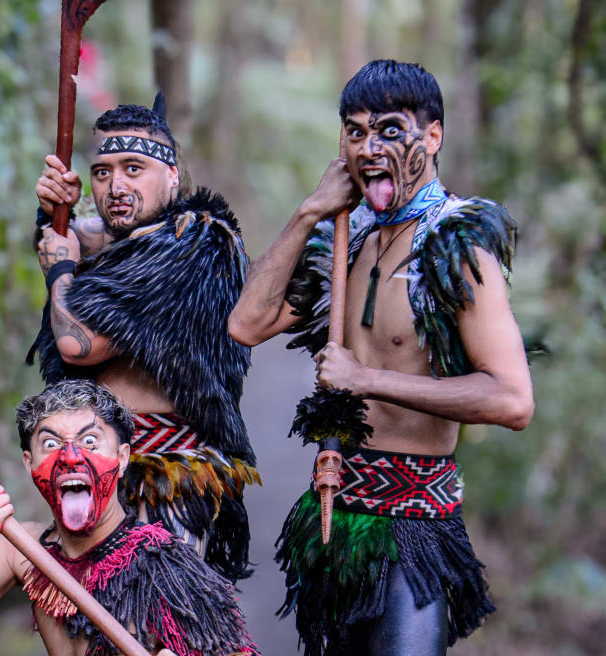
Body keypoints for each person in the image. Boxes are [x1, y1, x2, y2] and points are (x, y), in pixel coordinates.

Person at [228, 59, 534, 655]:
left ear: (434, 135)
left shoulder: (457, 246)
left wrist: (367, 378)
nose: (369, 148)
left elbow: (512, 398)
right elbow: (247, 324)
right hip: (339, 518)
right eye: (355, 131)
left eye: (390, 130)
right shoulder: (345, 238)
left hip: (416, 522)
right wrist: (310, 210)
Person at [29, 96, 259, 582]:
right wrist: (54, 212)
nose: (116, 186)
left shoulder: (194, 243)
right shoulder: (136, 240)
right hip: (98, 476)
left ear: (172, 175)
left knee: (156, 638)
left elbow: (79, 344)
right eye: (102, 172)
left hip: (163, 484)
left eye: (134, 168)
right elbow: (86, 236)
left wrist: (60, 269)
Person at [0, 379, 259, 656]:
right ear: (28, 463)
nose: (70, 457)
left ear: (123, 456)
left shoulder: (164, 566)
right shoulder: (21, 549)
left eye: (90, 442)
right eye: (51, 444)